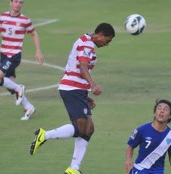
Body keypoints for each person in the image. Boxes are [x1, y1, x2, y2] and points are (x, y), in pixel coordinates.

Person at [29, 22, 115, 174]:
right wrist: (93, 86)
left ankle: (73, 169)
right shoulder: (87, 45)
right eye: (107, 40)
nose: (107, 44)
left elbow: (77, 67)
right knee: (82, 129)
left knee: (89, 129)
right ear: (100, 35)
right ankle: (45, 135)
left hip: (77, 90)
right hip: (72, 89)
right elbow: (82, 67)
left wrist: (86, 95)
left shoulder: (86, 41)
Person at [0, 0, 43, 121]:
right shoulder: (3, 16)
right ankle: (29, 107)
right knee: (11, 85)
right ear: (10, 3)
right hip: (3, 54)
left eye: (21, 2)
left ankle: (19, 88)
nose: (18, 4)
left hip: (14, 56)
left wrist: (38, 50)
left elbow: (34, 34)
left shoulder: (25, 20)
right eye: (16, 2)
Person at [125, 99, 171, 174]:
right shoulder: (142, 129)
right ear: (154, 113)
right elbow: (130, 146)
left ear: (170, 116)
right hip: (139, 170)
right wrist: (128, 160)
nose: (162, 111)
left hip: (158, 172)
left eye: (166, 109)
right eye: (159, 108)